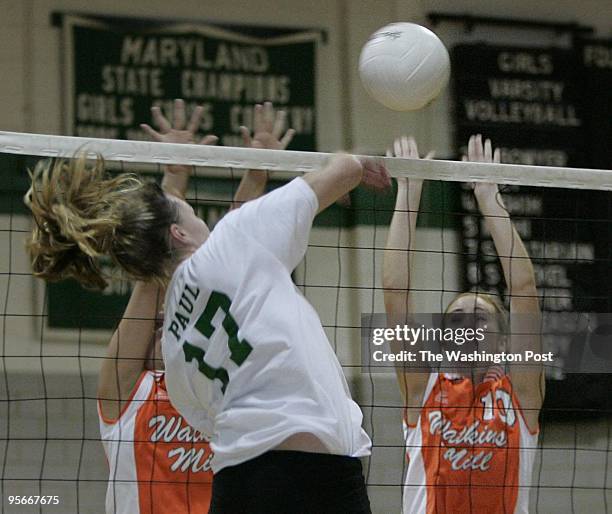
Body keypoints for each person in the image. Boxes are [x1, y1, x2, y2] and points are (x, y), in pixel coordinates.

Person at [25, 114, 391, 512]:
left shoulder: (176, 351)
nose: (204, 220)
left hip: (234, 484)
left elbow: (205, 414)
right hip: (309, 472)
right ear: (179, 233)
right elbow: (342, 171)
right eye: (191, 212)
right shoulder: (233, 243)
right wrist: (351, 160)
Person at [96, 100, 294, 514]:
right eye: (158, 327)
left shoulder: (220, 390)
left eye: (173, 327)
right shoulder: (128, 394)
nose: (164, 331)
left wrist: (255, 175)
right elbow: (157, 266)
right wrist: (173, 178)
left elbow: (230, 256)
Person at [383, 135, 543, 514]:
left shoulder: (520, 393)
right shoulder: (424, 388)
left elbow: (522, 288)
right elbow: (395, 290)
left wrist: (489, 197)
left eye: (480, 319)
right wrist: (409, 190)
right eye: (456, 319)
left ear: (504, 342)